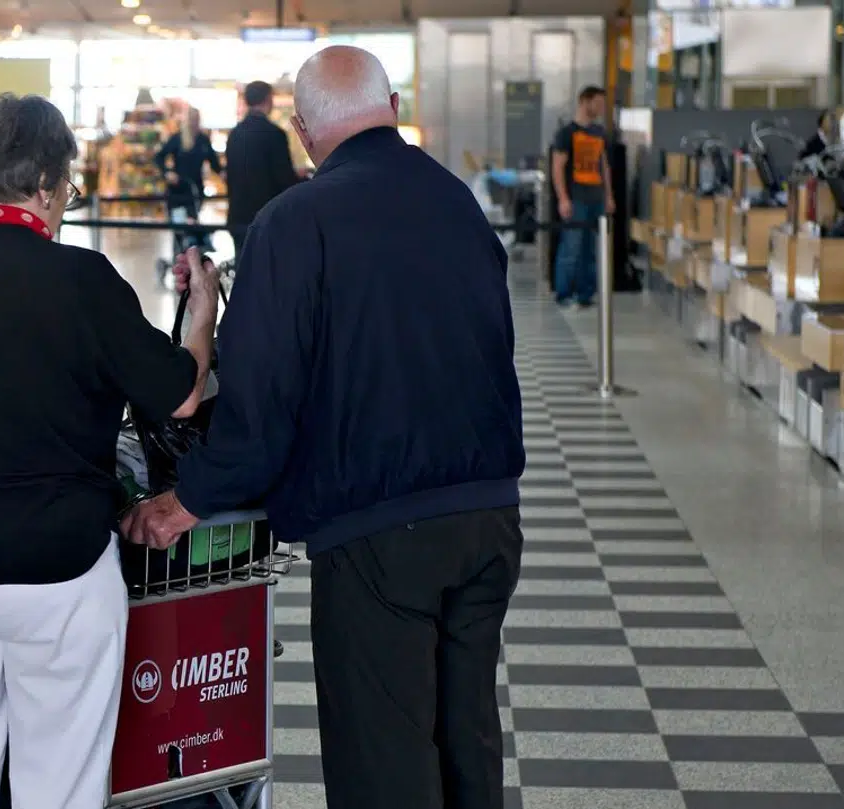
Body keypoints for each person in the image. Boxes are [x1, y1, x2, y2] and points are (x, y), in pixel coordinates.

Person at [124, 46, 525, 809]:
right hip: (490, 516)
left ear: (305, 130)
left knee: (387, 755)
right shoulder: (456, 202)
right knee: (466, 734)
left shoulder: (296, 221)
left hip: (378, 533)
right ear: (395, 108)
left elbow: (260, 403)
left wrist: (186, 501)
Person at [0, 93, 219, 809]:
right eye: (66, 182)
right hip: (53, 560)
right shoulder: (80, 276)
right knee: (58, 783)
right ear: (43, 183)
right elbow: (180, 393)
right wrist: (202, 310)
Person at [550, 85, 614, 309]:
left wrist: (609, 195)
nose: (600, 107)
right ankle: (564, 293)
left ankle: (586, 293)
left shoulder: (599, 133)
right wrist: (563, 198)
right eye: (597, 102)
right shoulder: (567, 133)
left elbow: (604, 165)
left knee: (591, 249)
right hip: (576, 198)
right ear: (584, 101)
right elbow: (557, 167)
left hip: (596, 197)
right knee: (571, 247)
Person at [224, 80, 298, 254]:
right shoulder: (275, 134)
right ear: (267, 99)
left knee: (242, 268)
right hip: (267, 218)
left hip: (238, 216)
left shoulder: (234, 134)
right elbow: (284, 179)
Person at [155, 106, 223, 248]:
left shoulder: (203, 140)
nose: (194, 123)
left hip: (196, 191)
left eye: (197, 120)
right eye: (192, 119)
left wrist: (224, 174)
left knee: (192, 224)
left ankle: (191, 253)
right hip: (178, 192)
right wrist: (167, 172)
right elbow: (159, 157)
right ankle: (179, 254)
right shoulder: (177, 138)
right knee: (180, 227)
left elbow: (214, 163)